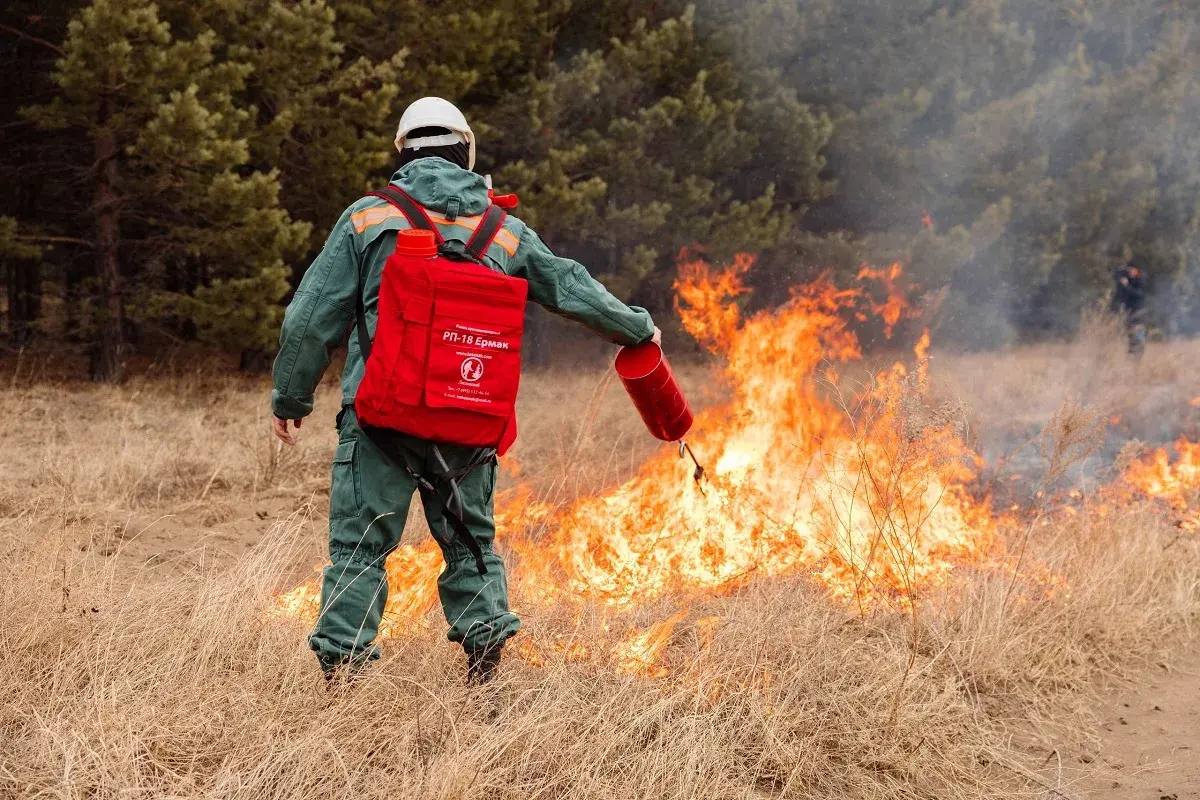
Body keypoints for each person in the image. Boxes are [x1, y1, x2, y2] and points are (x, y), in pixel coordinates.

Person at [269, 97, 659, 683]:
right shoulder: (504, 230)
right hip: (468, 420)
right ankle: (484, 669)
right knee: (471, 545)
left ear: (403, 152)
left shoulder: (369, 218)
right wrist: (637, 328)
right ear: (465, 148)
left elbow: (309, 318)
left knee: (359, 550)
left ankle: (341, 684)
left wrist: (290, 399)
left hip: (380, 418)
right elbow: (571, 287)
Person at [1112, 263, 1148, 356]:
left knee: (1138, 337)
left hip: (1139, 313)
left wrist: (1126, 285)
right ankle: (1132, 357)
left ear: (1137, 271)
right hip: (1129, 312)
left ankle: (1137, 356)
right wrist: (1120, 274)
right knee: (1131, 337)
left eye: (1132, 270)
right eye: (1129, 270)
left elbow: (1138, 294)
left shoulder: (1140, 281)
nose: (1130, 272)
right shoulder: (1128, 280)